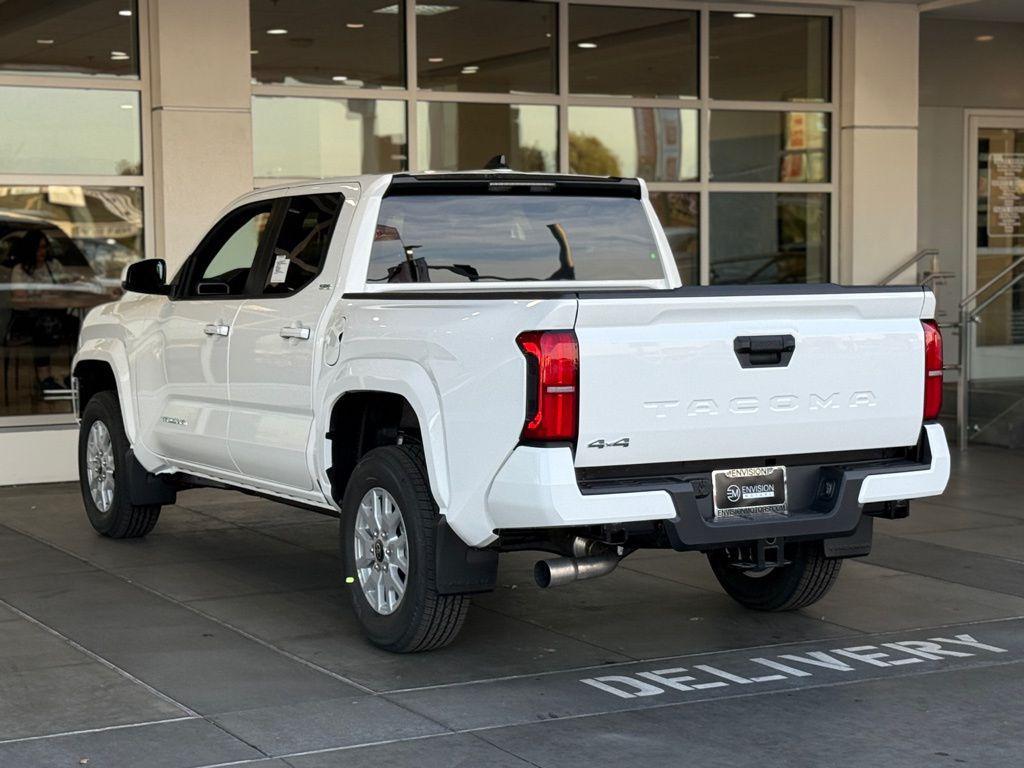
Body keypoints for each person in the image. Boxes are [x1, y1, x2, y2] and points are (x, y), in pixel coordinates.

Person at [8, 230, 77, 394]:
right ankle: (44, 377)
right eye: (39, 248)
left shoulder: (52, 266)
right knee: (45, 326)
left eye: (45, 247)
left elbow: (67, 282)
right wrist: (47, 293)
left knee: (75, 325)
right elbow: (19, 296)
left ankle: (72, 373)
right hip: (27, 317)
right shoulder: (20, 270)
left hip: (54, 312)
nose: (43, 252)